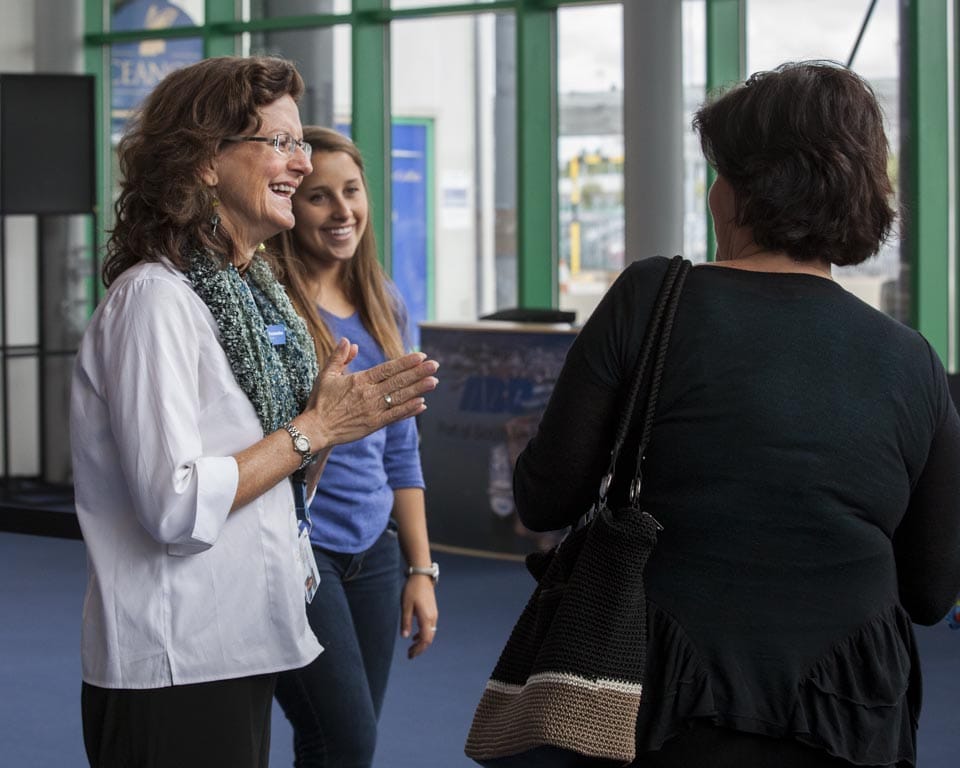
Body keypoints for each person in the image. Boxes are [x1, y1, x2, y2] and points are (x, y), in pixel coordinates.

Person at [512, 61, 960, 768]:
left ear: (747, 192)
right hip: (852, 714)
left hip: (662, 700)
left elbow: (547, 495)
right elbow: (933, 592)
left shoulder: (654, 296)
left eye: (720, 173)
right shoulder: (914, 360)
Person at [70, 57, 439, 768]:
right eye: (279, 143)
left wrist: (332, 423)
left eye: (300, 143)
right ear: (205, 162)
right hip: (175, 657)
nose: (300, 166)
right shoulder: (156, 301)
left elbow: (280, 487)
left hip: (241, 640)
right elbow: (175, 508)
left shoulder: (249, 292)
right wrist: (315, 428)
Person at [268, 126, 438, 767]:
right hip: (303, 553)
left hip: (376, 552)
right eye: (318, 197)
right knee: (345, 737)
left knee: (341, 746)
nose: (342, 213)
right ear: (289, 207)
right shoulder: (275, 311)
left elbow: (402, 452)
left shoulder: (384, 303)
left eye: (352, 192)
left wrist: (421, 570)